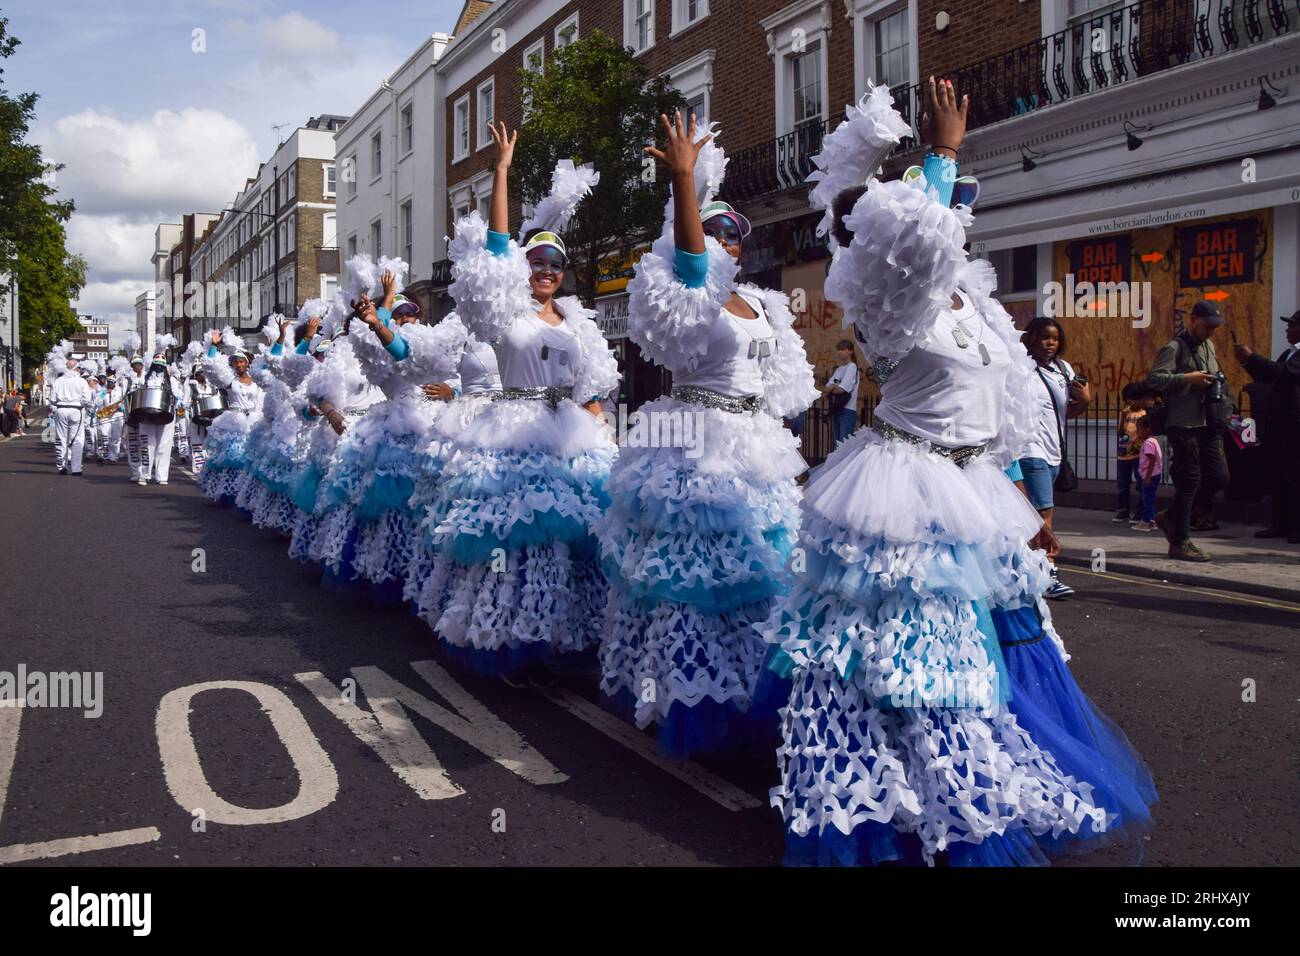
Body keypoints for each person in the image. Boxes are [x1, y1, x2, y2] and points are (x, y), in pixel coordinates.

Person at [760, 78, 1154, 866]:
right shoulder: (887, 300)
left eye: (961, 197)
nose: (958, 210)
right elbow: (897, 236)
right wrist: (934, 154)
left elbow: (999, 410)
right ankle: (904, 805)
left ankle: (996, 778)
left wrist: (1024, 503)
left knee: (1011, 650)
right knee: (918, 666)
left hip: (978, 492)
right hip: (904, 495)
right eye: (947, 200)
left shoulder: (976, 302)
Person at [594, 113, 817, 757]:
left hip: (752, 445)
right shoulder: (687, 290)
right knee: (696, 581)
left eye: (737, 233)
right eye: (716, 229)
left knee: (765, 571)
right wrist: (683, 181)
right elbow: (694, 258)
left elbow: (781, 383)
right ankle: (696, 696)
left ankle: (752, 690)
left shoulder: (764, 302)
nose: (729, 240)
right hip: (697, 439)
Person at [420, 124, 619, 684]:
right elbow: (499, 250)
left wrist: (596, 424)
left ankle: (563, 639)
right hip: (514, 433)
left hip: (568, 434)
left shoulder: (576, 320)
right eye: (538, 265)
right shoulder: (508, 312)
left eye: (556, 266)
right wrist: (502, 173)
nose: (548, 274)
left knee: (571, 545)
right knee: (518, 544)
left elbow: (591, 388)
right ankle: (509, 639)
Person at [1146, 300, 1230, 561]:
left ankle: (1172, 517)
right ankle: (1180, 541)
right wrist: (1187, 378)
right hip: (1183, 424)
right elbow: (1154, 379)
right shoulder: (1174, 348)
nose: (1211, 331)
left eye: (1215, 327)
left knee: (1219, 477)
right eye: (1207, 325)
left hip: (1208, 422)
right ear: (1193, 319)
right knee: (1189, 480)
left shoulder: (1209, 345)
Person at [1017, 316, 1090, 597]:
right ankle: (1049, 575)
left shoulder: (1063, 369)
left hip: (1054, 451)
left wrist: (1084, 401)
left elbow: (1065, 413)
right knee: (1044, 514)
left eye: (1055, 338)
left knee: (1033, 515)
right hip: (1030, 449)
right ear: (1031, 338)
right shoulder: (1021, 368)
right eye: (1045, 337)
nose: (1050, 343)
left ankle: (1026, 571)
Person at [1234, 308, 1300, 543]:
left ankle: (1295, 528)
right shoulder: (1289, 354)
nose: (1288, 329)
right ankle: (1279, 524)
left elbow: (1283, 374)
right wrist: (1247, 363)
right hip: (1279, 425)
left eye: (1292, 325)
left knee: (1294, 477)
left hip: (1294, 426)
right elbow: (1270, 376)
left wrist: (1253, 357)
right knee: (1278, 476)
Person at [137, 354, 183, 486]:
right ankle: (145, 474)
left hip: (165, 415)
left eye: (161, 365)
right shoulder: (144, 378)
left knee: (164, 446)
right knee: (147, 445)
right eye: (156, 365)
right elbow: (137, 393)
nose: (158, 367)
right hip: (146, 414)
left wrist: (178, 400)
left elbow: (178, 395)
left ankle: (161, 476)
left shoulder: (172, 380)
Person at [1113, 382, 1152, 521]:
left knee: (1141, 483)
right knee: (1123, 484)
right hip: (1123, 455)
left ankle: (1140, 511)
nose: (1130, 402)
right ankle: (1123, 510)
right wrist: (1123, 417)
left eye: (1133, 398)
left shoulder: (1144, 413)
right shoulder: (1125, 414)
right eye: (1128, 399)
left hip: (1139, 454)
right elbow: (1120, 432)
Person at [48, 352, 91, 475]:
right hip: (76, 409)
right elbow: (86, 399)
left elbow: (52, 399)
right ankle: (76, 468)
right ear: (76, 368)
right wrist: (81, 403)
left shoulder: (58, 381)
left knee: (61, 438)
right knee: (77, 439)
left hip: (61, 409)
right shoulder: (82, 381)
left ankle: (61, 466)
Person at [820, 339, 860, 447]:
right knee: (837, 447)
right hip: (836, 409)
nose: (840, 352)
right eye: (838, 350)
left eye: (843, 349)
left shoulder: (852, 367)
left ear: (850, 351)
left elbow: (841, 390)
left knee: (843, 447)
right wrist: (834, 386)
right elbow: (825, 389)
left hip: (847, 410)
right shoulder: (839, 369)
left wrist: (833, 387)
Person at [1130, 416, 1163, 531]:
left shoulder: (1148, 443)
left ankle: (1146, 521)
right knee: (1150, 498)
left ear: (1147, 429)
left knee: (1146, 499)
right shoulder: (1153, 441)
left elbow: (1152, 459)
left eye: (1138, 429)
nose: (1137, 432)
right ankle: (1153, 520)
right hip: (1155, 474)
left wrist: (1148, 476)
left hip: (1150, 475)